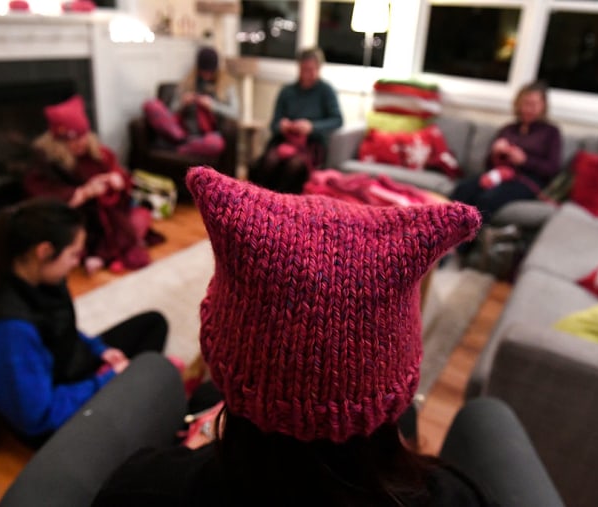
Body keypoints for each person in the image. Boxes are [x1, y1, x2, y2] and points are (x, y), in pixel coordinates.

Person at [92, 167, 494, 506]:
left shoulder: (140, 488)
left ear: (220, 352)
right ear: (399, 373)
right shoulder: (457, 497)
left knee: (199, 400)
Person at [0, 199, 169, 445]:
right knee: (153, 375)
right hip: (54, 417)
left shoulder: (39, 279)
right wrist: (105, 381)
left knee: (153, 324)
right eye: (73, 254)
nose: (76, 263)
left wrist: (100, 351)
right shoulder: (7, 330)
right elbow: (37, 417)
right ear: (44, 251)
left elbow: (62, 328)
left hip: (69, 368)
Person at [24, 94, 159, 274]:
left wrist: (116, 179)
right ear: (58, 141)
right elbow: (46, 198)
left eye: (82, 136)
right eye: (72, 139)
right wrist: (84, 193)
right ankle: (100, 253)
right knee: (90, 234)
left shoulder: (97, 153)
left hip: (111, 215)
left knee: (140, 216)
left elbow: (120, 175)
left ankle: (104, 253)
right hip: (82, 220)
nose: (80, 143)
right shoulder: (46, 163)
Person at [450, 81, 562, 224]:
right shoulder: (508, 129)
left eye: (534, 104)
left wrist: (525, 161)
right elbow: (488, 165)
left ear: (543, 106)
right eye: (525, 103)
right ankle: (444, 236)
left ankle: (462, 245)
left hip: (528, 181)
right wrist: (495, 153)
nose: (528, 108)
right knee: (463, 189)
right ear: (518, 104)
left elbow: (552, 169)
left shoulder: (551, 132)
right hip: (500, 174)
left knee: (486, 199)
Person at [249, 47, 343, 194]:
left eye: (313, 69)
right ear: (299, 67)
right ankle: (260, 201)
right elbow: (274, 124)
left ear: (319, 68)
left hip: (311, 145)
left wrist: (312, 127)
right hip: (284, 142)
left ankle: (283, 207)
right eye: (305, 69)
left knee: (294, 166)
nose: (309, 73)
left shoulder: (326, 91)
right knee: (268, 162)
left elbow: (337, 120)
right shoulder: (287, 91)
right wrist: (282, 126)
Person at [169, 46, 240, 157]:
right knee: (152, 106)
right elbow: (171, 111)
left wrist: (212, 105)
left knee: (216, 144)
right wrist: (183, 103)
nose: (207, 74)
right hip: (186, 130)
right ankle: (183, 139)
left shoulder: (226, 85)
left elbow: (235, 113)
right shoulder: (188, 82)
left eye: (210, 72)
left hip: (210, 135)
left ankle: (182, 146)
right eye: (203, 71)